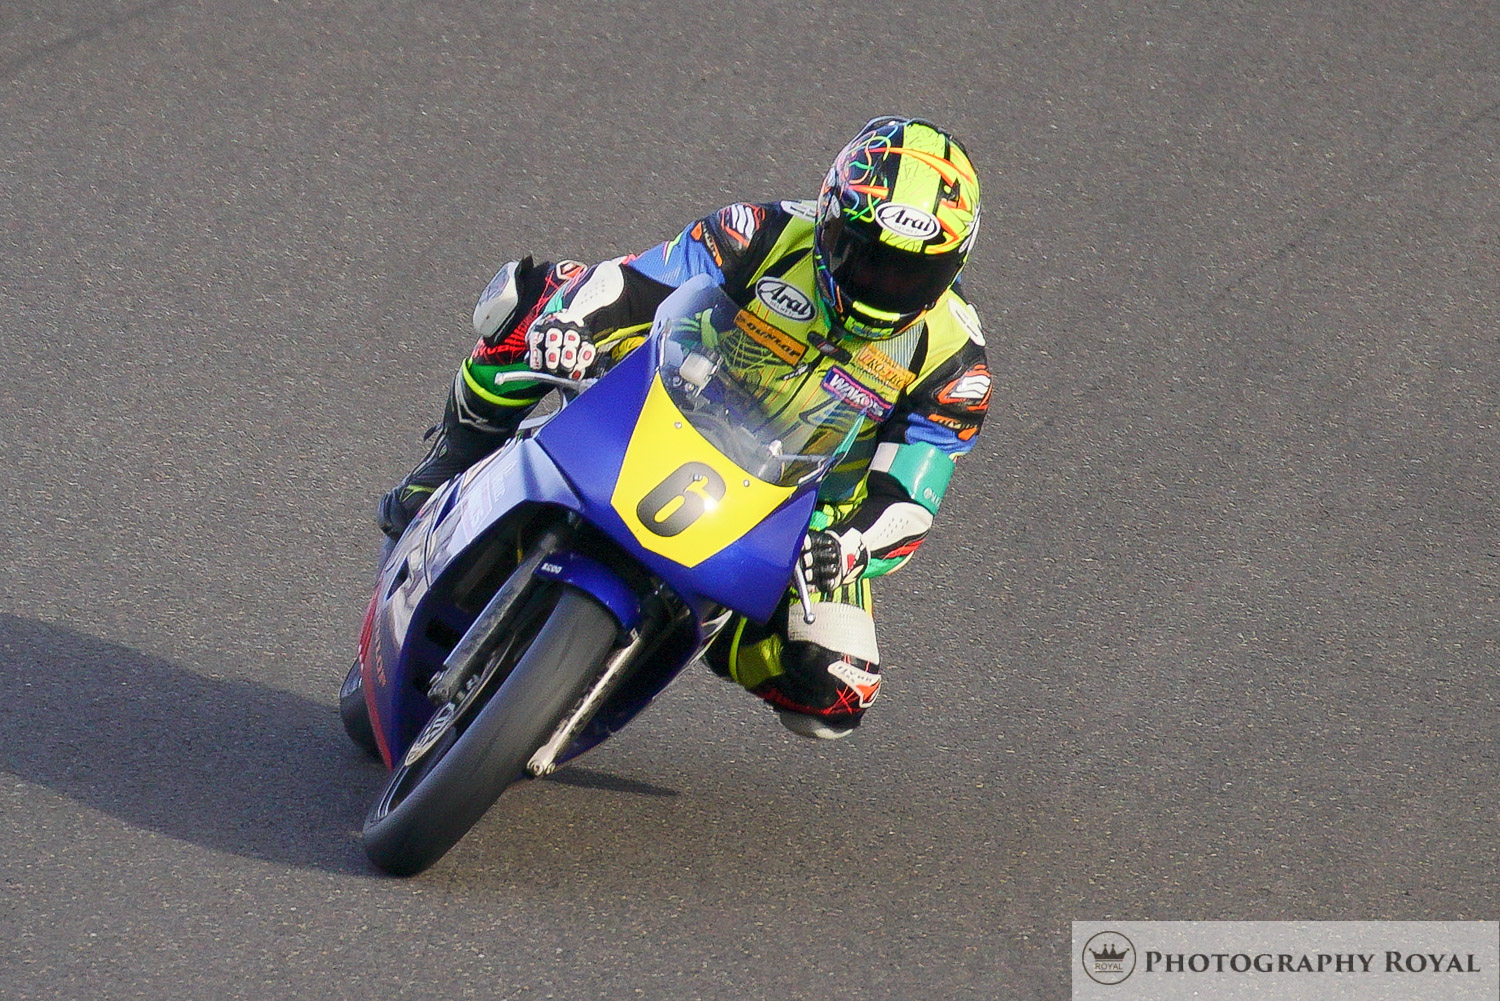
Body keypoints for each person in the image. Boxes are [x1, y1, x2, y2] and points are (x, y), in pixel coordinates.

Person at [378, 116, 991, 740]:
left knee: (838, 689)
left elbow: (909, 496)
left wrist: (849, 546)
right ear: (830, 220)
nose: (880, 284)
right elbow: (635, 282)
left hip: (797, 513)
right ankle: (454, 457)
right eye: (864, 256)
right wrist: (572, 325)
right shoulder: (762, 232)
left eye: (908, 275)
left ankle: (701, 623)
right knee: (541, 301)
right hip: (674, 393)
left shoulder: (955, 365)